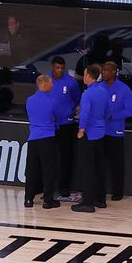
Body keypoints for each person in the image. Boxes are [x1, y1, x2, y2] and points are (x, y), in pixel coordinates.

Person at [74, 67, 112, 213]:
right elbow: (108, 111)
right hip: (101, 132)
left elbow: (85, 113)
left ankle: (87, 202)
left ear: (89, 76)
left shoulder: (88, 93)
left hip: (89, 134)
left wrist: (81, 129)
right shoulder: (103, 91)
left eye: (84, 74)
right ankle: (100, 200)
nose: (83, 76)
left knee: (87, 168)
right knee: (99, 167)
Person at [24, 74, 62, 209]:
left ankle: (28, 199)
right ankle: (48, 200)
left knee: (31, 169)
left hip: (33, 139)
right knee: (48, 170)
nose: (52, 85)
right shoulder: (52, 101)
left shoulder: (29, 100)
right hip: (47, 138)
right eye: (51, 83)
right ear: (45, 85)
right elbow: (60, 116)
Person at [100, 61, 132, 200]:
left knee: (116, 163)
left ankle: (117, 192)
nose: (104, 73)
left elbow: (130, 110)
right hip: (100, 131)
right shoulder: (99, 87)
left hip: (116, 132)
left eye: (107, 71)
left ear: (114, 72)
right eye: (103, 70)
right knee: (100, 163)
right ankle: (100, 191)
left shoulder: (124, 89)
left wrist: (114, 115)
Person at [50, 56, 83, 195]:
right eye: (57, 68)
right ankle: (49, 186)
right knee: (49, 156)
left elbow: (77, 99)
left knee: (65, 156)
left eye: (62, 68)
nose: (60, 70)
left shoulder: (71, 83)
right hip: (50, 124)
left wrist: (69, 111)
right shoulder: (46, 80)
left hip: (66, 125)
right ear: (52, 67)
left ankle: (63, 187)